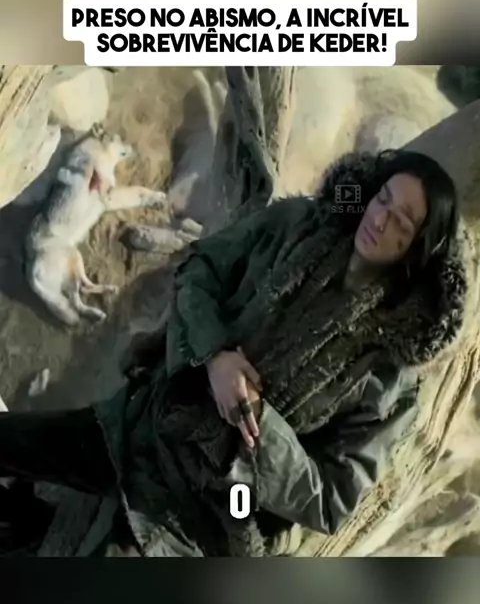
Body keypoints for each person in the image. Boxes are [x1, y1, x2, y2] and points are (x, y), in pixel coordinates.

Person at [0, 148, 467, 557]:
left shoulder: (389, 375)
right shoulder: (298, 225)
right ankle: (21, 516)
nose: (380, 219)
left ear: (418, 249)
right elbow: (201, 267)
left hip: (210, 513)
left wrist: (257, 422)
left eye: (402, 222)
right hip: (145, 424)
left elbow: (332, 501)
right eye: (382, 198)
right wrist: (216, 355)